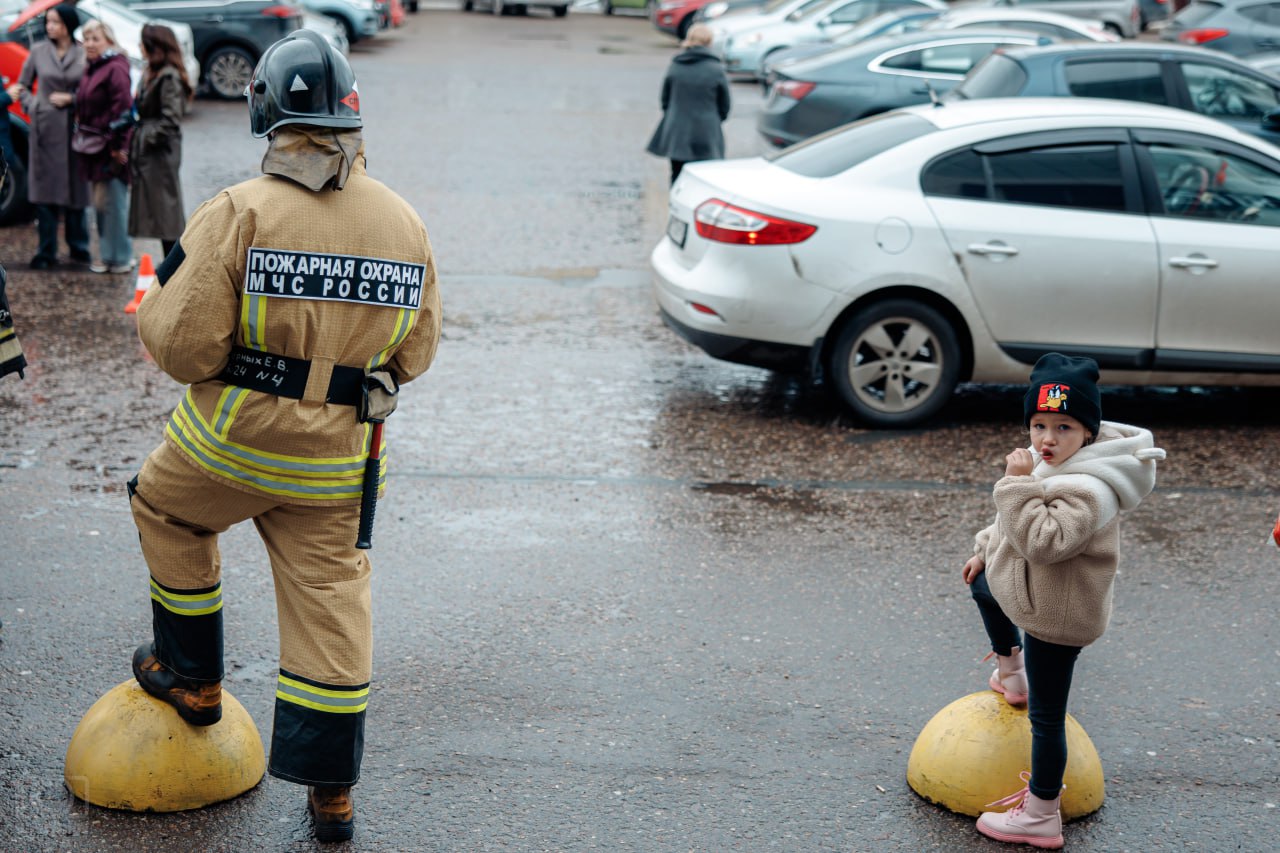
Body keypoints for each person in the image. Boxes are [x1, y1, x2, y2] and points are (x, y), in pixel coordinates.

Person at [126, 30, 441, 843]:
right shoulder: (405, 222)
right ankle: (331, 790)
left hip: (227, 445)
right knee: (332, 601)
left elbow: (183, 344)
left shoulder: (240, 210)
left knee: (165, 510)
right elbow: (416, 352)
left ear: (266, 109)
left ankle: (190, 677)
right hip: (339, 461)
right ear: (349, 118)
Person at [961, 353, 1165, 849]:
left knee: (1047, 720)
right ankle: (1013, 673)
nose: (1047, 439)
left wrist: (1015, 484)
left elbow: (1043, 540)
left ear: (1088, 433)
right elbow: (1014, 528)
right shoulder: (1060, 465)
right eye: (1038, 424)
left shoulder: (1093, 488)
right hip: (1032, 593)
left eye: (1064, 427)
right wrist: (985, 549)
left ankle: (1041, 813)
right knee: (981, 582)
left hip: (1058, 615)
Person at [6, 4, 90, 270]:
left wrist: (73, 98)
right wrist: (34, 106)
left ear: (67, 24)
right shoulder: (39, 51)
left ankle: (79, 247)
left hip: (74, 129)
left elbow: (91, 89)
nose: (49, 26)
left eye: (54, 22)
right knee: (45, 191)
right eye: (48, 22)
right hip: (45, 129)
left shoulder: (82, 52)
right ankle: (46, 250)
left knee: (76, 190)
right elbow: (21, 85)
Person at [75, 19, 135, 274]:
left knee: (113, 202)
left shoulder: (115, 68)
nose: (89, 44)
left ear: (109, 41)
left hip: (110, 147)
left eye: (95, 39)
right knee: (101, 203)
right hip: (94, 146)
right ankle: (109, 255)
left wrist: (119, 147)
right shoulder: (92, 66)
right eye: (86, 39)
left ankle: (120, 257)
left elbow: (122, 110)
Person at [127, 24, 190, 260]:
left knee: (167, 213)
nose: (139, 47)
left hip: (160, 153)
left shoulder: (169, 76)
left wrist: (147, 138)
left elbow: (171, 119)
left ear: (154, 46)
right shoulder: (152, 71)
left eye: (143, 43)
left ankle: (174, 268)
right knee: (160, 212)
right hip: (153, 150)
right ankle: (171, 266)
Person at [645, 23, 730, 186]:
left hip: (678, 132)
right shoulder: (716, 69)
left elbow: (665, 100)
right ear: (709, 42)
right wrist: (714, 120)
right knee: (705, 179)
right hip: (706, 133)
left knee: (677, 175)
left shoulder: (676, 66)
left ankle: (675, 206)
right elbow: (725, 105)